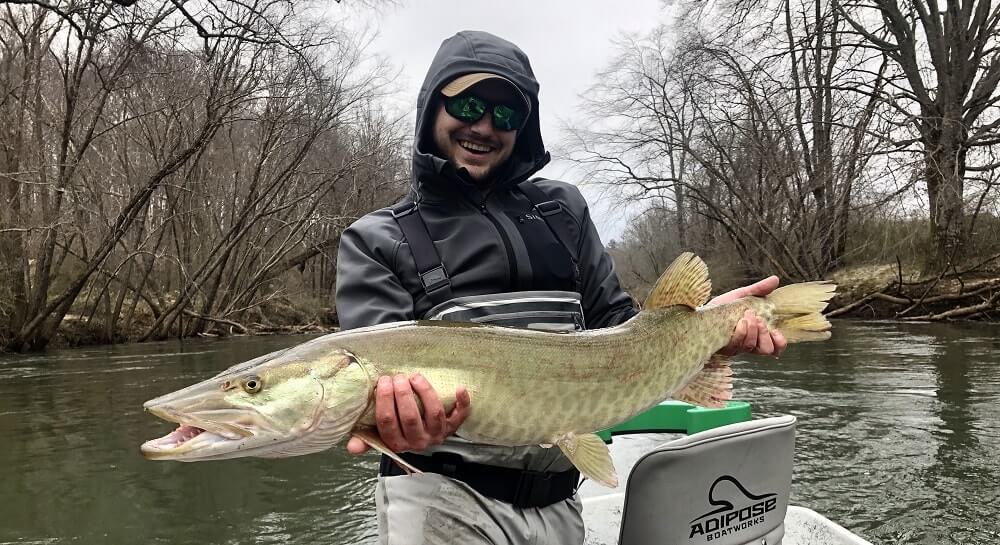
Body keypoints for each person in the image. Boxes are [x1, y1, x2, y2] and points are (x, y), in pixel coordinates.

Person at [334, 30, 786, 545]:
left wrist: (700, 333)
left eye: (506, 115)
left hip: (559, 496)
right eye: (469, 104)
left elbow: (620, 329)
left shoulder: (562, 210)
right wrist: (394, 421)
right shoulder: (378, 237)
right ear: (433, 104)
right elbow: (374, 372)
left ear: (522, 129)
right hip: (441, 497)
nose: (484, 125)